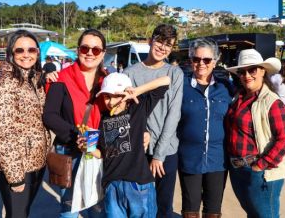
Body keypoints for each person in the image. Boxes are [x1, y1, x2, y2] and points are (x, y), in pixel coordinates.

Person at [79, 73, 170, 218]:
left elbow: (166, 81)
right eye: (107, 96)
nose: (111, 101)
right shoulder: (99, 118)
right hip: (112, 186)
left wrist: (136, 91)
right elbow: (101, 153)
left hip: (138, 184)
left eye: (116, 96)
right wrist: (86, 148)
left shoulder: (137, 109)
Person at [225, 49, 285, 218]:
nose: (247, 75)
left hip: (260, 172)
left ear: (262, 71)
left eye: (252, 69)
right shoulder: (239, 97)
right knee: (253, 214)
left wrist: (260, 165)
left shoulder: (272, 102)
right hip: (238, 170)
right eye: (242, 71)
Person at [43, 29, 106, 218]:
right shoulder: (61, 78)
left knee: (97, 207)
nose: (89, 53)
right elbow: (50, 115)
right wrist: (76, 135)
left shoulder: (108, 81)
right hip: (69, 150)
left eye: (96, 50)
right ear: (78, 50)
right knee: (70, 209)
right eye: (85, 48)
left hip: (96, 151)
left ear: (103, 54)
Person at [0, 30, 51, 218]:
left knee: (21, 213)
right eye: (19, 50)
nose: (26, 54)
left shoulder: (32, 78)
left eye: (31, 49)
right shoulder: (5, 83)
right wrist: (15, 179)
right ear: (10, 53)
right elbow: (3, 134)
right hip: (18, 167)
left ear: (38, 53)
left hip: (35, 161)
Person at [124, 24, 184, 218]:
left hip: (166, 151)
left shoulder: (175, 73)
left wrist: (159, 154)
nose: (162, 47)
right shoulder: (129, 73)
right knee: (137, 205)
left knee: (163, 206)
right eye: (159, 41)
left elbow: (173, 114)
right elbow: (125, 112)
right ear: (150, 41)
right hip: (138, 149)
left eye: (169, 44)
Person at [177, 38, 233, 218]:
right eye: (196, 59)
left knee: (213, 209)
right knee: (190, 208)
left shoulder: (226, 87)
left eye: (207, 60)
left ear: (215, 62)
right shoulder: (180, 85)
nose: (201, 63)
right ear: (190, 60)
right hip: (189, 157)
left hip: (218, 158)